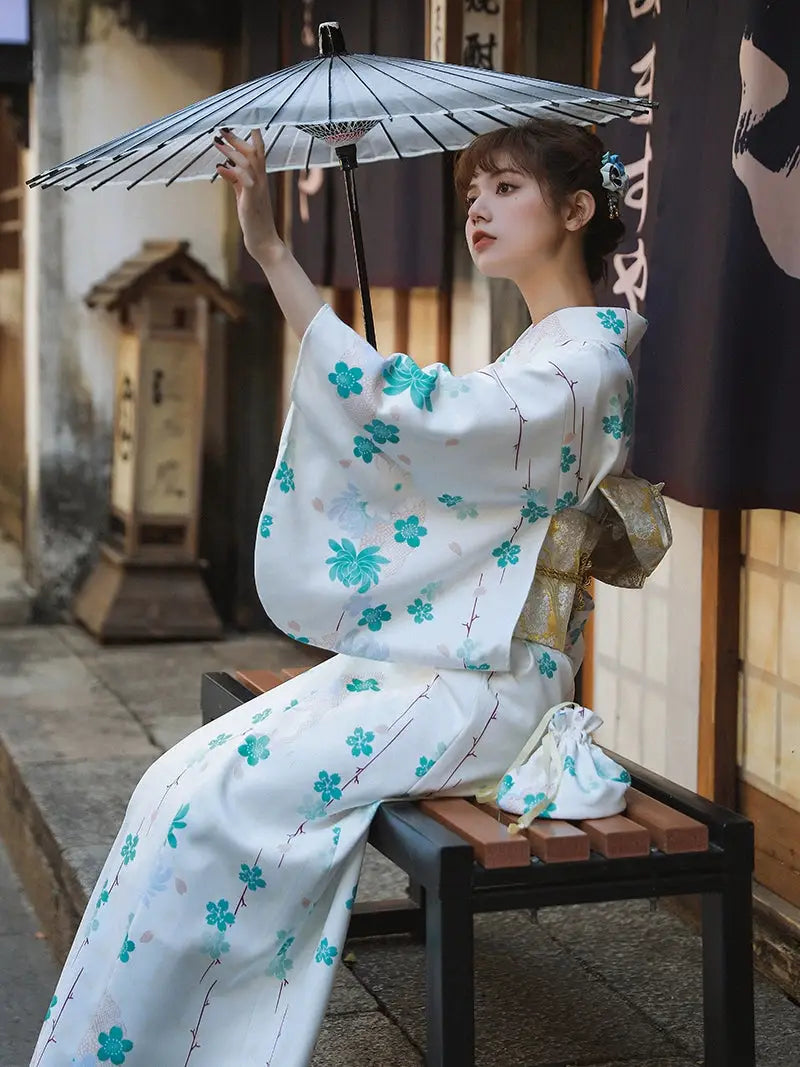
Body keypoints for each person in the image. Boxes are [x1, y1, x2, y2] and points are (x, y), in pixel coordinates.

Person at [30, 117, 670, 1067]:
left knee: (222, 803)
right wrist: (353, 359)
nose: (478, 211)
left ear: (578, 211)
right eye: (470, 195)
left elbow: (429, 418)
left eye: (504, 189)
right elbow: (430, 429)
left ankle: (182, 1044)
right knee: (177, 780)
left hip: (496, 687)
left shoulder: (583, 366)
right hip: (449, 662)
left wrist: (278, 254)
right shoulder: (548, 356)